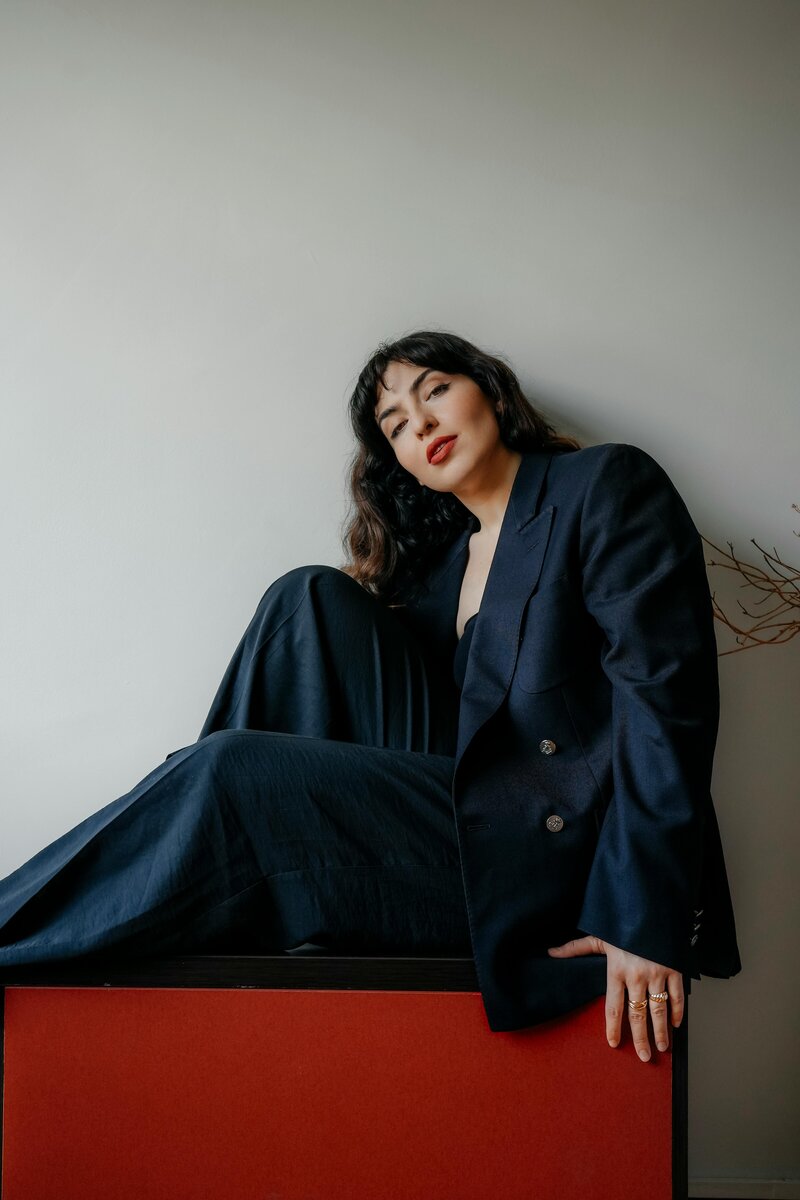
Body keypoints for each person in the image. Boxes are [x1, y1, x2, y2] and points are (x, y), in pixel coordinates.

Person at [0, 330, 741, 1058]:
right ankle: (212, 872)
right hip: (463, 815)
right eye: (396, 425)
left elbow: (664, 700)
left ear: (491, 391)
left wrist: (643, 915)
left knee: (232, 770)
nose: (421, 423)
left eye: (435, 390)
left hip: (558, 856)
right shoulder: (441, 570)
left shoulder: (602, 484)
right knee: (305, 598)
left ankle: (111, 891)